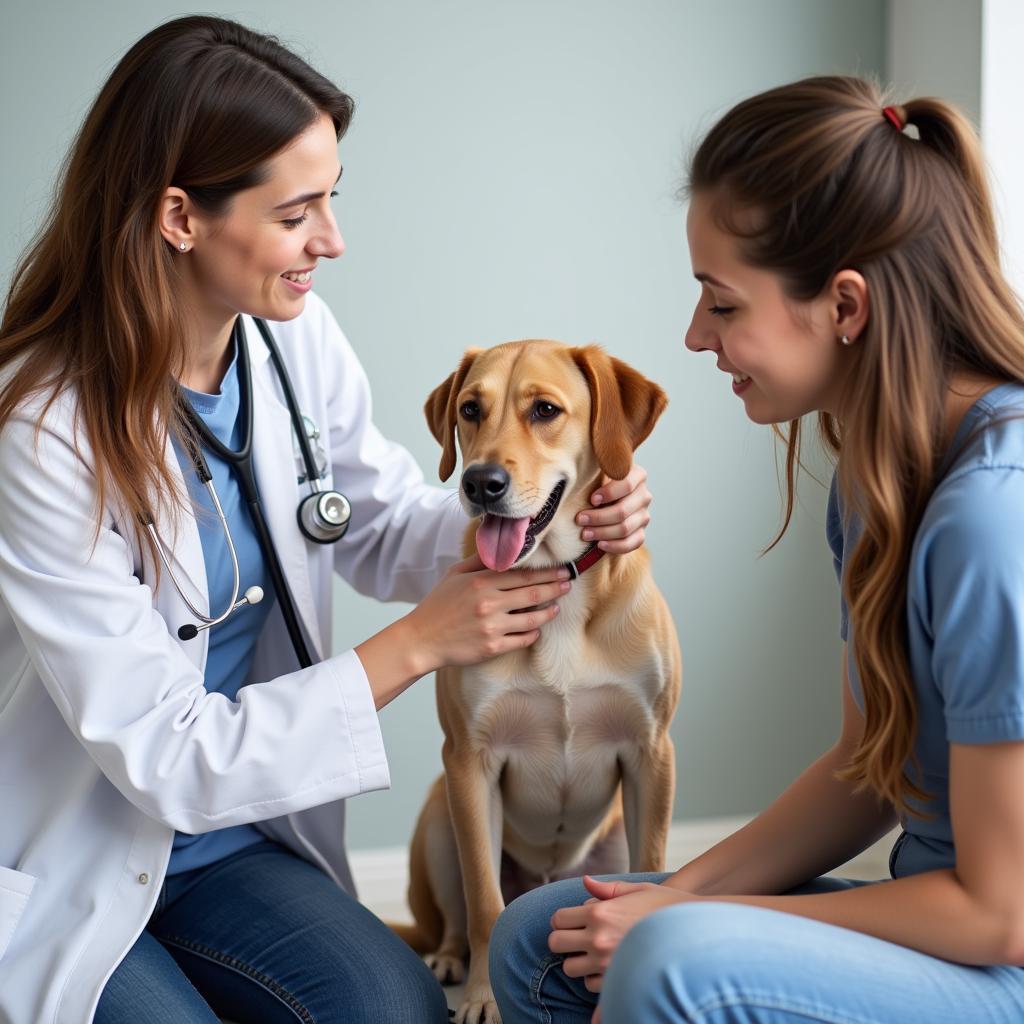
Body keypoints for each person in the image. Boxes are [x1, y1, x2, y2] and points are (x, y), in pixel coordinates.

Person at [0, 16, 654, 1024]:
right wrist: (416, 645)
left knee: (398, 1013)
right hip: (76, 842)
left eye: (331, 200)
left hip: (226, 845)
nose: (332, 241)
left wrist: (541, 521)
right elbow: (165, 755)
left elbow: (381, 519)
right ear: (180, 215)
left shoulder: (289, 342)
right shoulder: (43, 428)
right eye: (298, 210)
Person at [489, 74, 1024, 1024]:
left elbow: (1000, 915)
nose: (695, 338)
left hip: (1000, 953)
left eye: (722, 305)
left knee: (664, 962)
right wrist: (663, 895)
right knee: (548, 935)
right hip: (956, 934)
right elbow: (871, 768)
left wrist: (684, 918)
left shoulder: (992, 522)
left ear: (845, 307)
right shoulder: (876, 483)